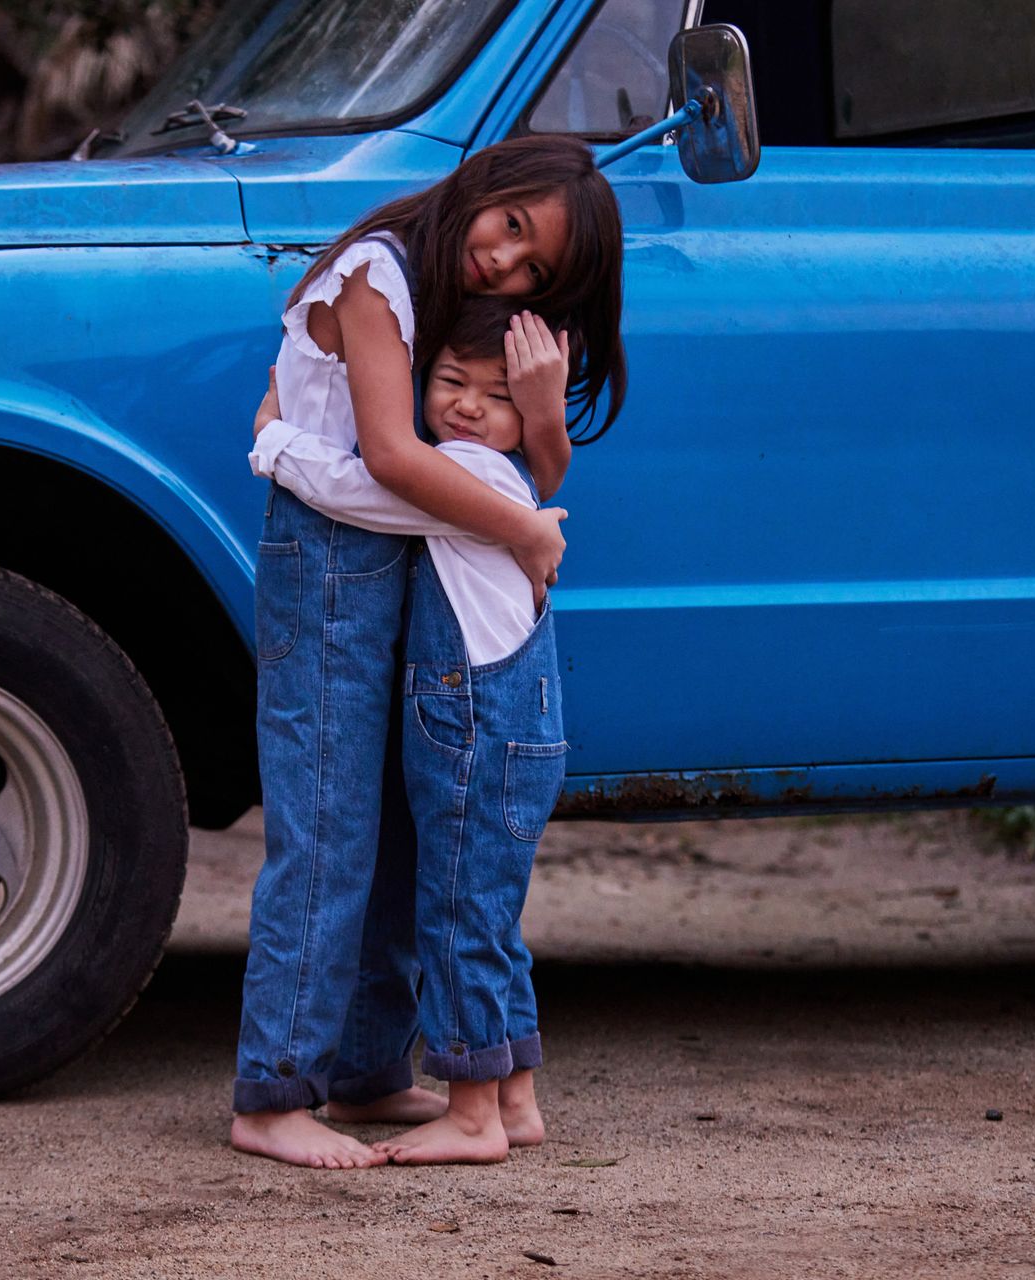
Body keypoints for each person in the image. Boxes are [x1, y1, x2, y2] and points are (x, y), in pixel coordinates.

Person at [231, 135, 626, 1170]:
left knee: (402, 823)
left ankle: (364, 1064)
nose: (502, 264)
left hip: (400, 553)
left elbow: (492, 471)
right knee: (324, 819)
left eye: (533, 268)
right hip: (330, 559)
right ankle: (271, 1089)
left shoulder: (442, 293)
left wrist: (541, 422)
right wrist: (522, 532)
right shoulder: (379, 274)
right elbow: (398, 460)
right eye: (508, 229)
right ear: (483, 187)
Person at [251, 298, 569, 1163]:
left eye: (495, 395)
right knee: (491, 917)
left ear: (525, 414)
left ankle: (473, 1119)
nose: (466, 406)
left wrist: (276, 440)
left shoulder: (473, 480)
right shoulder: (508, 479)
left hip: (479, 724)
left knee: (459, 914)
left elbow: (365, 491)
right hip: (520, 721)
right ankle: (515, 1097)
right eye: (450, 382)